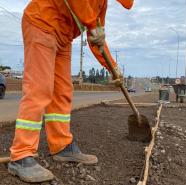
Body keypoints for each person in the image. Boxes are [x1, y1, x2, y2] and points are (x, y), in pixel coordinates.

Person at [8, 0, 134, 183]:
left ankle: (61, 146)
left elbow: (95, 38)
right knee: (40, 89)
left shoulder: (101, 5)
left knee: (63, 92)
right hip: (42, 22)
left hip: (63, 37)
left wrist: (113, 67)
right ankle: (20, 156)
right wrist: (92, 24)